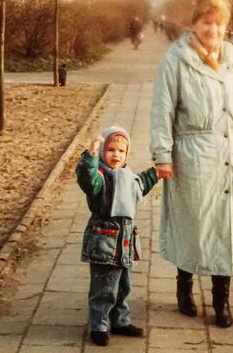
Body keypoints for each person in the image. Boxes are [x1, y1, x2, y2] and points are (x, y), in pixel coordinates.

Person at [149, 0, 233, 328]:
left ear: (225, 26)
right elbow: (162, 110)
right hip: (191, 155)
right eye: (205, 23)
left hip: (231, 156)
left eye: (217, 24)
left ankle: (221, 301)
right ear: (194, 23)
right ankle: (184, 287)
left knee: (225, 228)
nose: (211, 30)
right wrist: (162, 155)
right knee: (193, 223)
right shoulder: (176, 59)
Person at [76, 126, 159, 346]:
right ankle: (99, 325)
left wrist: (156, 173)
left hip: (124, 243)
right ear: (103, 152)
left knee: (123, 285)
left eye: (121, 152)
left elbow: (141, 184)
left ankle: (120, 320)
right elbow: (87, 179)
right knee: (104, 287)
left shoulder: (127, 177)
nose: (116, 155)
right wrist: (90, 157)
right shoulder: (100, 178)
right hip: (104, 242)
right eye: (111, 150)